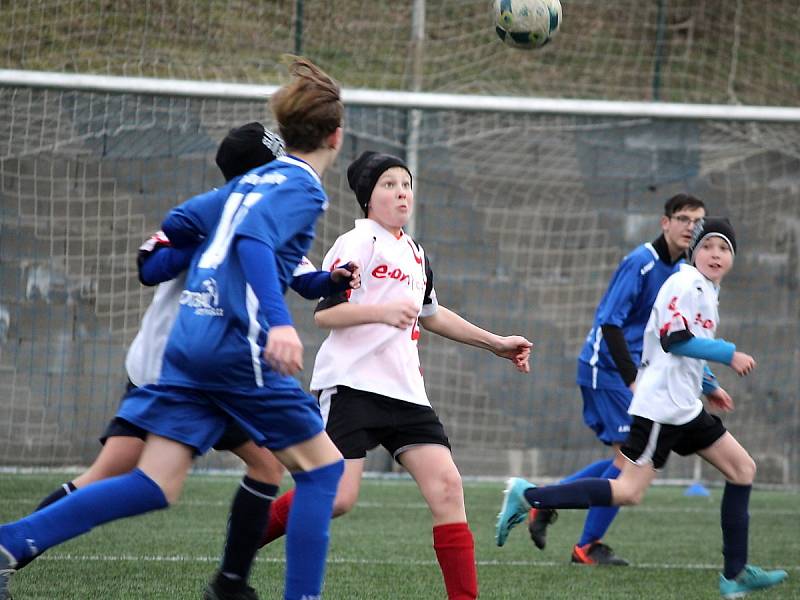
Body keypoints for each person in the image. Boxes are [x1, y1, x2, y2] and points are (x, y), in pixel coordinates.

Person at [0, 57, 346, 600]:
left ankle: (12, 541)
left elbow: (184, 219)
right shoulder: (302, 187)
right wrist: (279, 325)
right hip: (237, 347)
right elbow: (254, 239)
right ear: (336, 135)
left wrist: (184, 250)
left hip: (189, 343)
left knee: (154, 482)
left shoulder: (249, 183)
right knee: (324, 472)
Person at [254, 151, 533, 600]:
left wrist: (496, 343)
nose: (402, 191)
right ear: (368, 198)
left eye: (406, 183)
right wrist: (383, 312)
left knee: (447, 488)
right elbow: (327, 315)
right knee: (339, 498)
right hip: (352, 386)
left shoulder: (416, 251)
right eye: (389, 184)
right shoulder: (358, 241)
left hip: (406, 392)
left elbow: (432, 315)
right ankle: (243, 543)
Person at [496, 218, 789, 599]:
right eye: (708, 247)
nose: (716, 254)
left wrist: (710, 386)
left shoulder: (707, 291)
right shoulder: (684, 283)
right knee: (628, 491)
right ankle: (530, 496)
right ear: (692, 252)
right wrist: (729, 354)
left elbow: (686, 352)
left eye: (725, 249)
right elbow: (674, 340)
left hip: (685, 406)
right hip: (661, 409)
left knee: (742, 468)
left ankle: (734, 574)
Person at [528, 194, 707, 566]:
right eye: (683, 218)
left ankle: (544, 501)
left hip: (634, 374)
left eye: (697, 221)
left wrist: (707, 383)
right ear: (665, 223)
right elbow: (609, 323)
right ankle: (585, 545)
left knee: (627, 461)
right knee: (629, 463)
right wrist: (632, 381)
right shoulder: (641, 263)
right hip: (605, 369)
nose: (691, 227)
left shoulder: (682, 274)